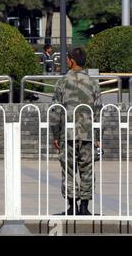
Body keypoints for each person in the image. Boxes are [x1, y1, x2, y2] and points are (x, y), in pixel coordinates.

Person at [50, 47, 102, 215]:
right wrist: (98, 137)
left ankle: (72, 206)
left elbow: (56, 110)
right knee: (87, 170)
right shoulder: (93, 83)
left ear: (72, 60)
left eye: (67, 58)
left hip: (68, 134)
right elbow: (98, 111)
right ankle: (85, 208)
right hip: (87, 134)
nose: (66, 61)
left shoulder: (62, 82)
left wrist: (56, 134)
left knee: (69, 170)